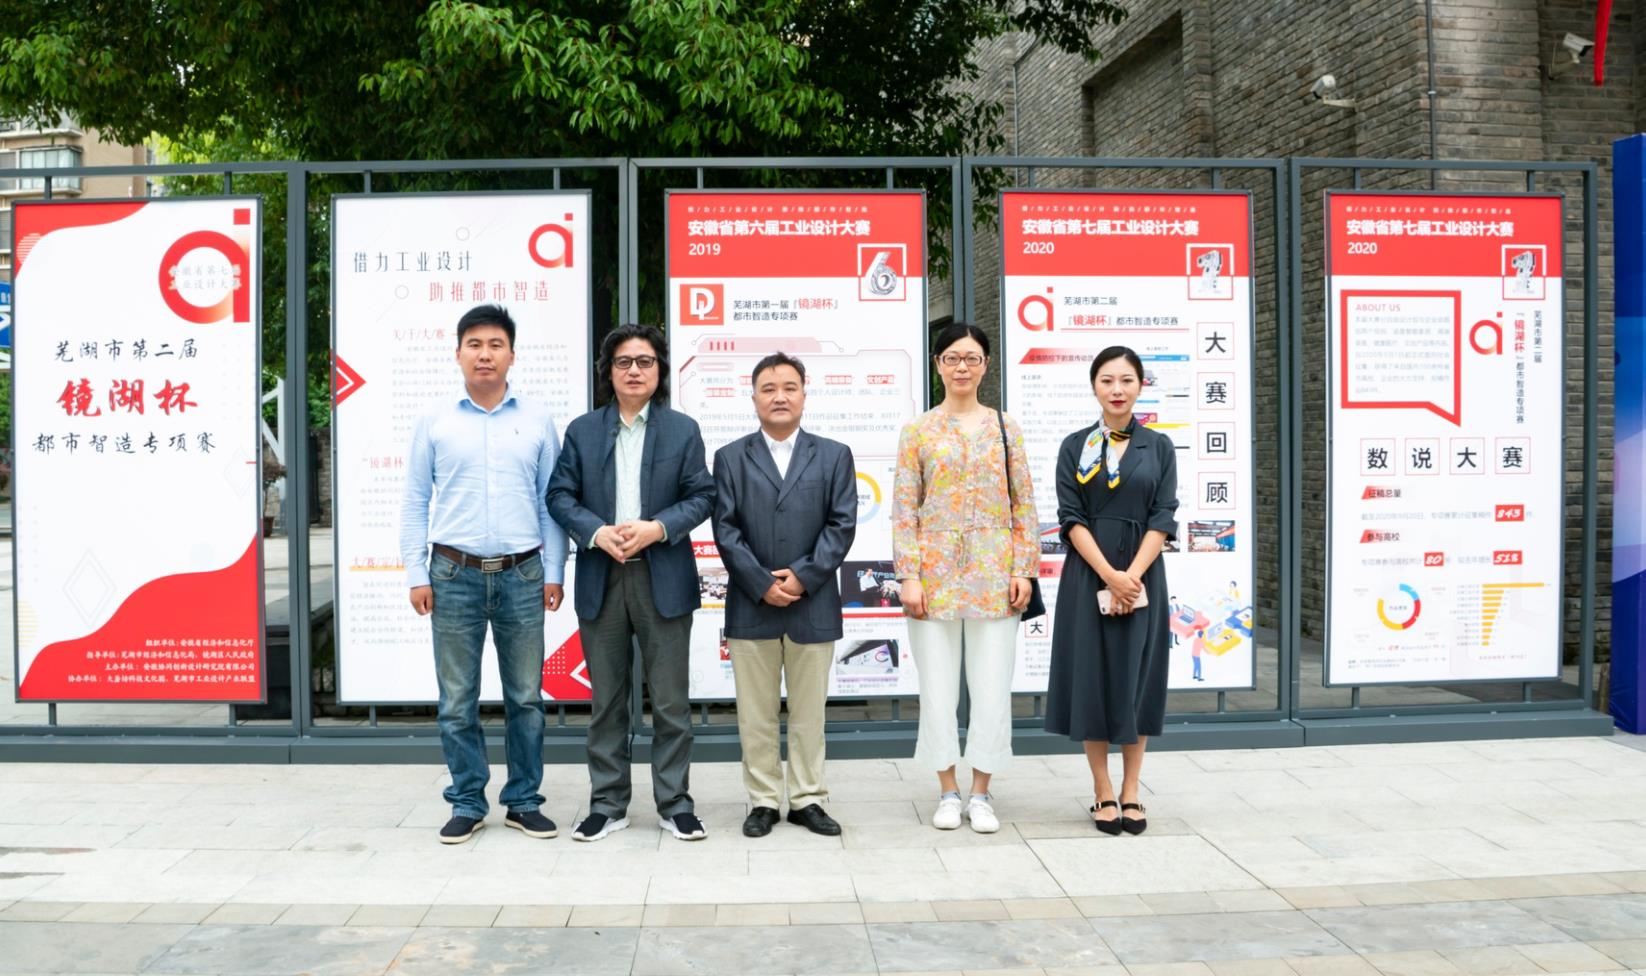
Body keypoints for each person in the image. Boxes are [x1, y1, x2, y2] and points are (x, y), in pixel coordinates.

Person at [400, 304, 568, 845]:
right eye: (474, 344)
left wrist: (554, 570)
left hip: (523, 573)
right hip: (453, 573)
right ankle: (467, 801)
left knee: (526, 698)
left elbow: (550, 503)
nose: (485, 354)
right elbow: (415, 501)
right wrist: (416, 572)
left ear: (512, 355)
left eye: (496, 344)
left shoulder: (537, 420)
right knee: (456, 700)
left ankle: (523, 801)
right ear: (458, 354)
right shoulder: (435, 420)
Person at [547, 324, 715, 843]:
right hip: (602, 574)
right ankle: (607, 803)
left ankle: (675, 803)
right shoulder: (583, 431)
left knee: (670, 702)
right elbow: (559, 495)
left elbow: (702, 495)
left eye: (645, 361)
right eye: (624, 362)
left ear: (659, 370)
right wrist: (596, 532)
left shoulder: (682, 430)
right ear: (609, 371)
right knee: (607, 702)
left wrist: (657, 527)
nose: (635, 370)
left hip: (662, 574)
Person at [892, 322, 1038, 834]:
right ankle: (947, 791)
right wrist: (909, 574)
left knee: (992, 690)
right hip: (933, 577)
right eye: (952, 357)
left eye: (972, 358)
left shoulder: (1006, 427)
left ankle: (980, 792)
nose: (962, 367)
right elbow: (904, 508)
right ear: (938, 365)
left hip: (995, 575)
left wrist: (1024, 569)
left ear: (985, 366)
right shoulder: (918, 430)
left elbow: (1024, 504)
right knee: (937, 690)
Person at [711, 352, 858, 838]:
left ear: (804, 394)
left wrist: (801, 576)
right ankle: (763, 800)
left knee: (809, 714)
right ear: (753, 397)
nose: (780, 396)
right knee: (755, 715)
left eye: (789, 387)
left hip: (812, 603)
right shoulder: (730, 457)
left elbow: (841, 525)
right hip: (751, 604)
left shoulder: (833, 454)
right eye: (769, 388)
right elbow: (725, 529)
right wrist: (761, 583)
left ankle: (808, 798)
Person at [1044, 345, 1179, 837]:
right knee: (1093, 680)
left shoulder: (1158, 447)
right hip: (1088, 576)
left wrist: (1131, 577)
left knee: (1137, 680)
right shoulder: (1074, 446)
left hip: (1144, 575)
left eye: (1126, 380)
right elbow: (1070, 517)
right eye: (1107, 380)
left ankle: (1132, 789)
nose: (1117, 390)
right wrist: (1109, 575)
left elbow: (1163, 516)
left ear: (1140, 385)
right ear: (1094, 387)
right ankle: (1102, 788)